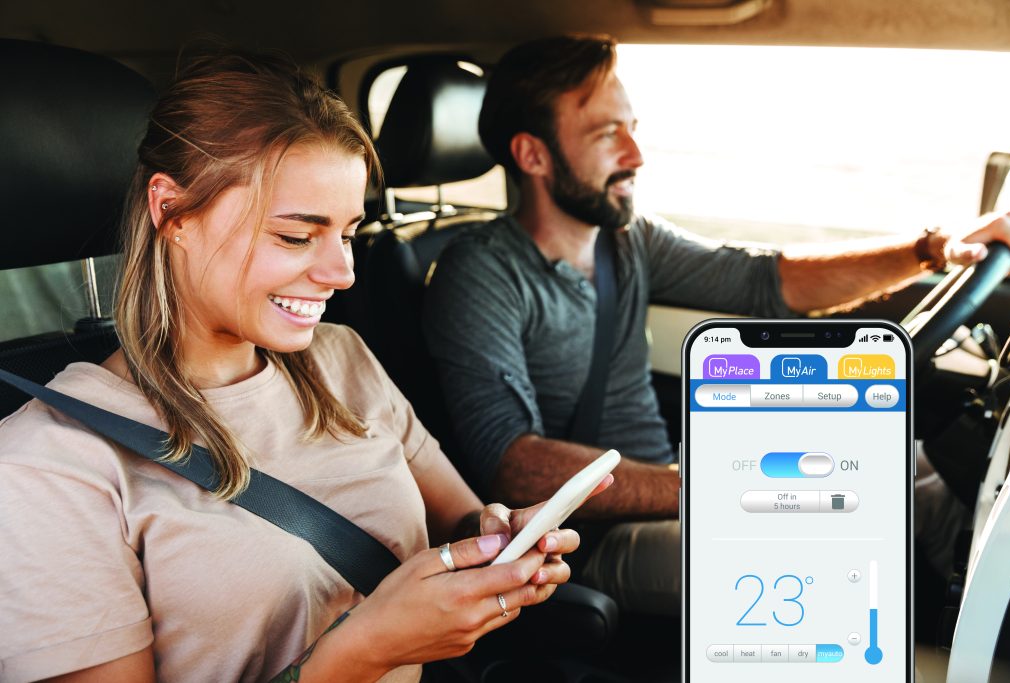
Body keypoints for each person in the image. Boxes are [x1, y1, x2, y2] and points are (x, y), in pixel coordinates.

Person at [0, 52, 609, 683]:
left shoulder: (340, 357)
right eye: (296, 236)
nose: (342, 274)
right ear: (172, 212)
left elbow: (458, 515)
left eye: (348, 233)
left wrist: (501, 539)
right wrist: (366, 650)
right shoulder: (46, 465)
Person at [421, 34, 1010, 616]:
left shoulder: (627, 241)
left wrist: (931, 249)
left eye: (633, 128)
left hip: (671, 494)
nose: (636, 154)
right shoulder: (480, 273)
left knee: (899, 459)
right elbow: (513, 462)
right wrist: (704, 482)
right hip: (587, 542)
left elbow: (768, 281)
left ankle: (983, 615)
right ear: (533, 155)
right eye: (609, 135)